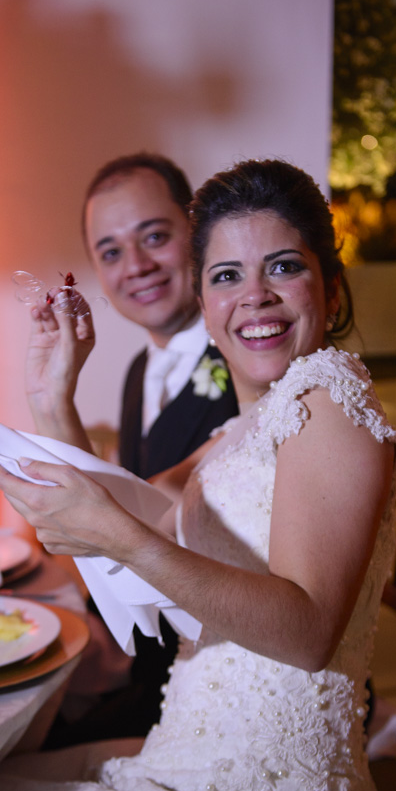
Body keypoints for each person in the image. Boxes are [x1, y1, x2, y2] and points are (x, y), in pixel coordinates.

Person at [0, 159, 396, 791]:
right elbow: (123, 509)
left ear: (329, 291)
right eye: (227, 276)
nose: (255, 296)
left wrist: (120, 538)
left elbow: (304, 634)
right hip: (193, 753)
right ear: (204, 304)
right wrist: (53, 397)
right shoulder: (244, 429)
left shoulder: (329, 400)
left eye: (283, 267)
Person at [27, 153, 239, 741]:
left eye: (154, 236)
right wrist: (54, 399)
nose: (137, 266)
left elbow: (141, 521)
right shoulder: (137, 372)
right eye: (112, 251)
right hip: (155, 652)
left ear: (196, 232)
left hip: (215, 671)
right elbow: (117, 520)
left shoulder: (250, 360)